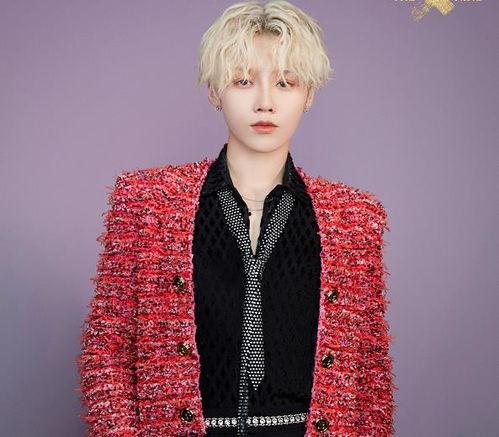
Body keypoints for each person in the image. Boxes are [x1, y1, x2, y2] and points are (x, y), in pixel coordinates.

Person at [76, 1, 396, 436]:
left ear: (309, 95)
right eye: (243, 81)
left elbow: (370, 372)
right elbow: (107, 348)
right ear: (215, 91)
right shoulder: (148, 202)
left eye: (286, 83)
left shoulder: (354, 216)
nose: (265, 102)